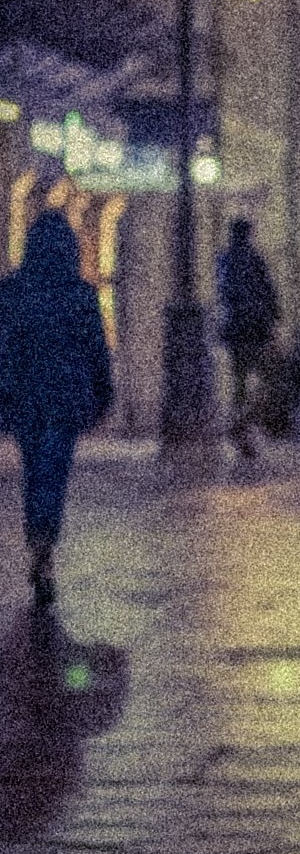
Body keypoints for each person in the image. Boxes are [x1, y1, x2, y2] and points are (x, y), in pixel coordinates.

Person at [0, 211, 113, 610]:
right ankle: (44, 547)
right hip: (64, 398)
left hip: (25, 398)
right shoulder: (80, 294)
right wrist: (104, 393)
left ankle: (38, 544)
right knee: (54, 472)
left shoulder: (11, 292)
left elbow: (4, 348)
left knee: (35, 471)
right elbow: (96, 351)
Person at [216, 218, 280, 459]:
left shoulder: (226, 261)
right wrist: (272, 319)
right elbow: (268, 293)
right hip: (253, 329)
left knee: (241, 382)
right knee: (259, 380)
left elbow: (225, 294)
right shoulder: (252, 260)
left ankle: (240, 425)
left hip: (238, 330)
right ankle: (242, 425)